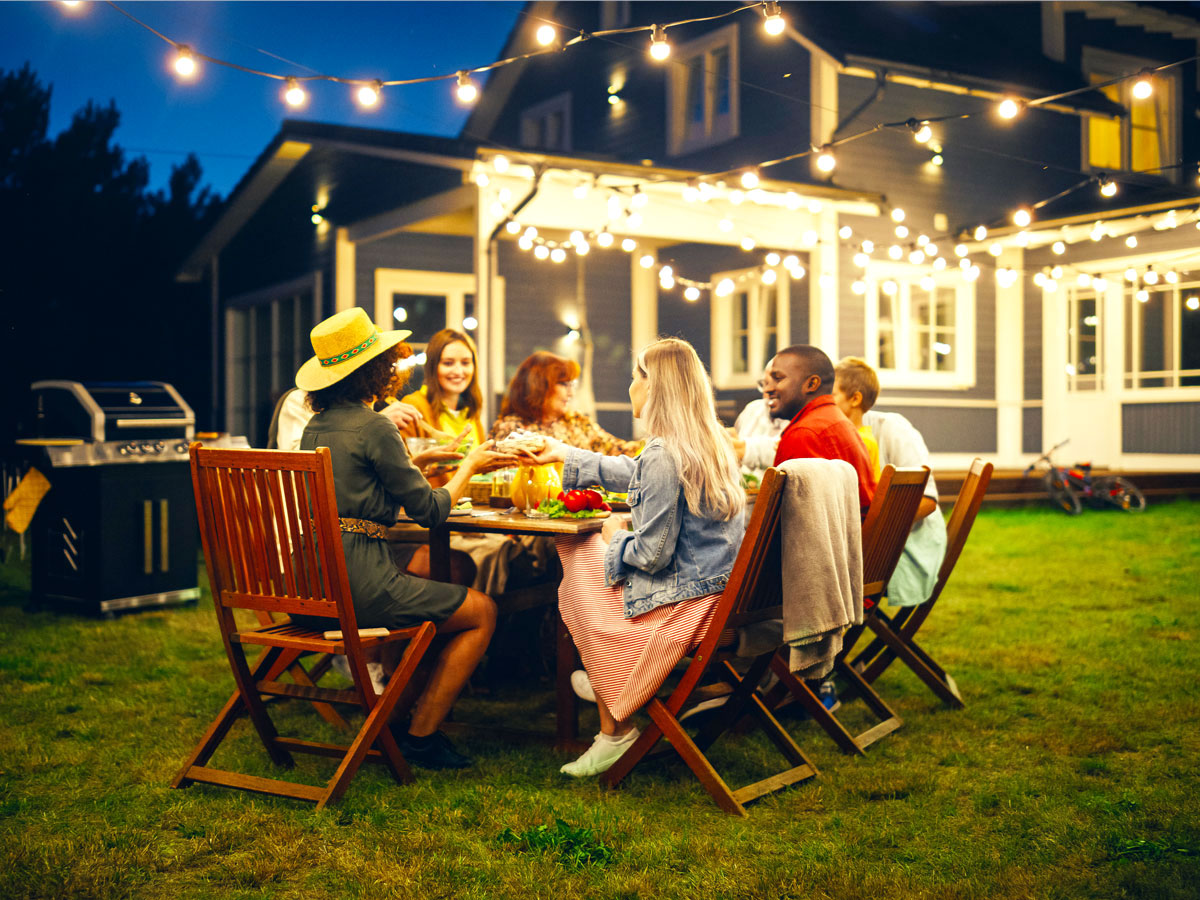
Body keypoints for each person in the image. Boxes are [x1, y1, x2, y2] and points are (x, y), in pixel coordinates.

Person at [294, 308, 517, 769]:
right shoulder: (376, 425)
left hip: (312, 581)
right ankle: (420, 735)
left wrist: (416, 463)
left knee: (440, 608)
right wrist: (470, 465)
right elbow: (430, 512)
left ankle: (389, 726)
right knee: (481, 612)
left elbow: (357, 487)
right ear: (374, 370)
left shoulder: (317, 427)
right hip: (360, 582)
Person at [520, 338, 745, 777]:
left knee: (579, 551)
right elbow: (639, 472)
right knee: (591, 560)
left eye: (635, 377)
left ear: (655, 386)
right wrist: (566, 454)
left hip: (681, 608)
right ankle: (611, 681)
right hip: (716, 600)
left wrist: (614, 535)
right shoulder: (711, 442)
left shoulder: (664, 452)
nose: (630, 386)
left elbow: (653, 555)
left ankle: (614, 714)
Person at [833, 357, 948, 607]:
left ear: (855, 399)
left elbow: (927, 501)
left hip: (905, 545)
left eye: (830, 395)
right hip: (858, 545)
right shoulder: (831, 434)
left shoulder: (891, 429)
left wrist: (871, 531)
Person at [763, 344, 876, 513]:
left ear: (812, 384)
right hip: (851, 537)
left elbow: (789, 520)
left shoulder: (805, 434)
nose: (768, 389)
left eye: (778, 378)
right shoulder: (838, 421)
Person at [489, 351, 640, 455]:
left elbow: (617, 450)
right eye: (563, 384)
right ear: (539, 387)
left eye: (571, 385)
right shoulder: (511, 429)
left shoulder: (576, 421)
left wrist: (656, 444)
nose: (571, 393)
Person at [398, 328, 486, 460]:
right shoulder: (413, 407)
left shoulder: (470, 411)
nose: (458, 371)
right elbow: (403, 471)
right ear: (433, 367)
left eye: (465, 363)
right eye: (448, 363)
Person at [831, 357, 881, 479]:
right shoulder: (864, 437)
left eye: (832, 395)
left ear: (855, 399)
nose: (826, 400)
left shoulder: (860, 442)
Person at [731, 371, 787, 475]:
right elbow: (735, 438)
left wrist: (742, 449)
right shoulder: (752, 408)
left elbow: (780, 453)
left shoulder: (798, 417)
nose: (768, 390)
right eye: (765, 383)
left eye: (776, 382)